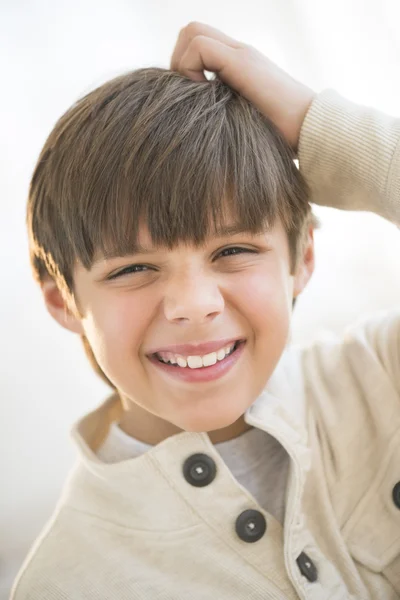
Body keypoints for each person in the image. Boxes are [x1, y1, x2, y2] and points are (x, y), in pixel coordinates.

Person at [10, 21, 400, 600]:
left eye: (234, 251)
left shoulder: (378, 379)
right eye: (132, 269)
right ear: (62, 301)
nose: (194, 306)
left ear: (302, 259)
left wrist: (322, 128)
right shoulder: (67, 581)